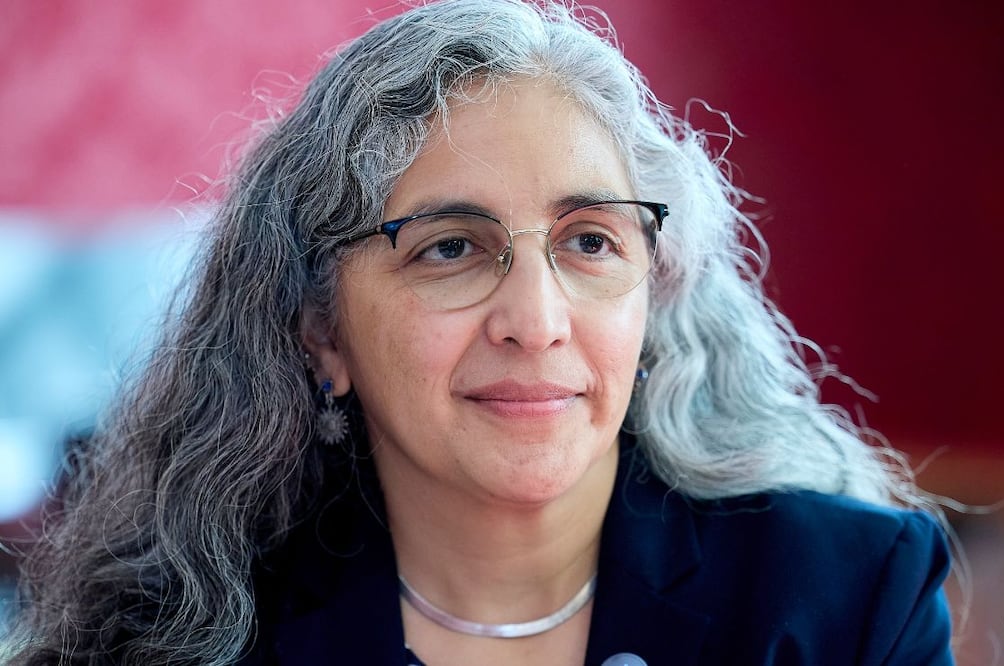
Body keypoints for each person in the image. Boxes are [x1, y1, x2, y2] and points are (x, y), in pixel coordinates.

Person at [5, 1, 954, 664]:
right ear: (318, 331)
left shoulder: (850, 594)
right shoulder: (166, 638)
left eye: (590, 241)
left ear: (652, 289)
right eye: (451, 249)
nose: (537, 323)